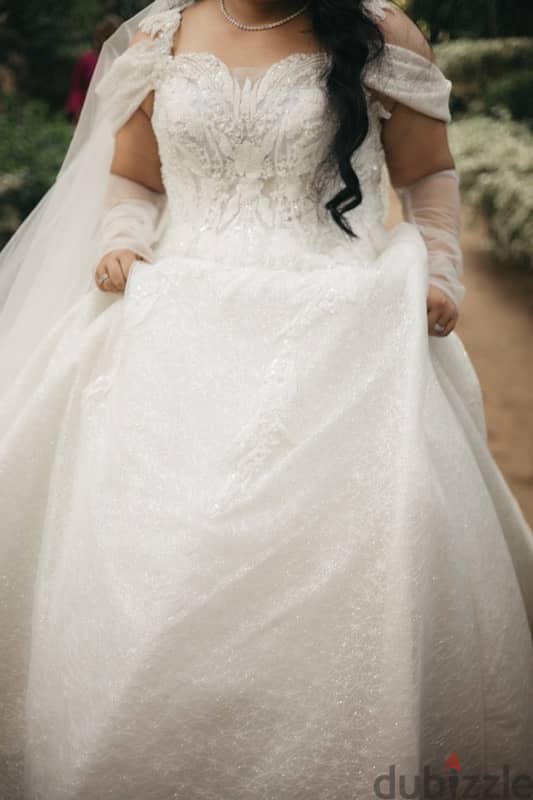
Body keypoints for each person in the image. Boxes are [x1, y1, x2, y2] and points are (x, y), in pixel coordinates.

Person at [1, 0, 532, 797]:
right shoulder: (160, 36)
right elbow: (132, 178)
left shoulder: (381, 34)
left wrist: (442, 269)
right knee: (154, 561)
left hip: (338, 329)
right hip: (172, 323)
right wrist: (121, 239)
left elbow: (428, 176)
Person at [65, 14, 122, 122]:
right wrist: (77, 111)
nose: (109, 38)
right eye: (106, 34)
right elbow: (76, 88)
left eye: (113, 34)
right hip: (90, 114)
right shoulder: (86, 60)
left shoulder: (124, 59)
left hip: (117, 114)